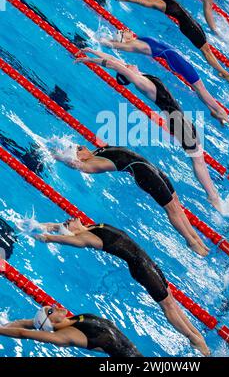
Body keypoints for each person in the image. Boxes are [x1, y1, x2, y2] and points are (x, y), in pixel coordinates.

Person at [75, 46, 223, 211]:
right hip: (179, 122)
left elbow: (116, 62)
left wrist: (94, 51)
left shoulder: (139, 76)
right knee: (198, 159)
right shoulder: (141, 82)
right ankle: (213, 197)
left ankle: (212, 193)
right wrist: (90, 61)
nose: (128, 64)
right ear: (128, 74)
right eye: (127, 68)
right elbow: (115, 66)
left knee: (198, 157)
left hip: (179, 119)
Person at [35, 217, 211, 355]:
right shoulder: (86, 238)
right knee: (168, 306)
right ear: (72, 233)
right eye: (67, 224)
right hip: (142, 269)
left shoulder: (89, 228)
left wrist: (45, 225)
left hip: (147, 263)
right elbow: (68, 240)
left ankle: (196, 336)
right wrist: (47, 238)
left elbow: (58, 227)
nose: (67, 220)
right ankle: (194, 339)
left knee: (171, 300)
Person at [54, 144, 210, 256]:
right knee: (171, 208)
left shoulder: (96, 152)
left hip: (151, 168)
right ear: (78, 158)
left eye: (78, 146)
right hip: (146, 176)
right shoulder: (91, 165)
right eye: (77, 150)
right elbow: (73, 164)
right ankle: (190, 241)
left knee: (176, 203)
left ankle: (194, 236)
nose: (80, 147)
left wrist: (60, 147)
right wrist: (59, 157)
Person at [92, 31, 229, 120]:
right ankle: (221, 112)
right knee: (200, 88)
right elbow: (115, 47)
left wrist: (110, 38)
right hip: (177, 61)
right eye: (122, 32)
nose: (124, 30)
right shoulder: (134, 45)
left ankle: (213, 110)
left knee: (199, 89)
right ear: (124, 40)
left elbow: (116, 42)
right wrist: (101, 43)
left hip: (176, 59)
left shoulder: (137, 39)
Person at [114, 0, 229, 83]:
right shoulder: (155, 3)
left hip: (190, 24)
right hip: (190, 26)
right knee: (206, 51)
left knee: (206, 50)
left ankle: (221, 71)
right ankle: (224, 74)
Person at [0, 305, 142, 357]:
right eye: (51, 310)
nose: (54, 306)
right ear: (53, 322)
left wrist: (6, 325)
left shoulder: (70, 320)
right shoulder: (65, 336)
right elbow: (23, 333)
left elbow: (29, 324)